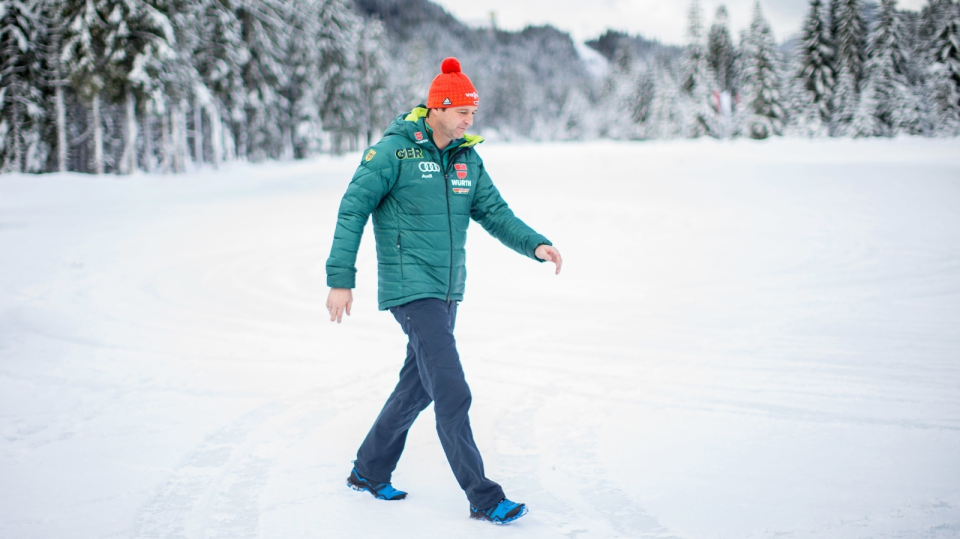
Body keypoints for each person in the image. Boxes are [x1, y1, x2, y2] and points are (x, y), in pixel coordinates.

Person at [324, 57, 562, 524]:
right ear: (437, 108)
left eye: (473, 113)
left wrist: (534, 243)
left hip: (448, 290)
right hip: (411, 290)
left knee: (416, 387)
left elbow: (494, 212)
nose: (470, 121)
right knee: (451, 389)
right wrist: (340, 279)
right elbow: (352, 210)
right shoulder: (393, 153)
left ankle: (369, 471)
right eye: (462, 113)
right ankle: (484, 496)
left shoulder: (465, 158)